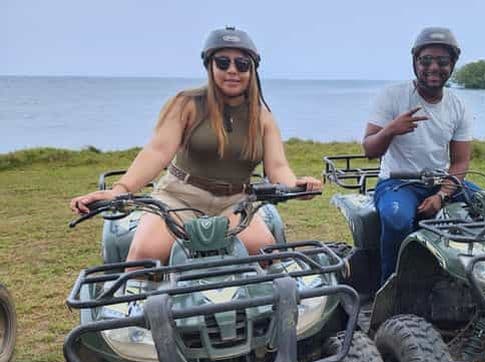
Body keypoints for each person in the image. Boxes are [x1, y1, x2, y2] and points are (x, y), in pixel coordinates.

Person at [70, 26, 322, 263]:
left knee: (267, 254)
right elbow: (157, 152)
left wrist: (296, 185)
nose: (232, 70)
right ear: (209, 66)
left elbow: (277, 167)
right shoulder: (187, 103)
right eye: (223, 62)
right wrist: (120, 190)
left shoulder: (263, 117)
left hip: (235, 201)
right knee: (145, 255)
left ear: (252, 69)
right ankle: (136, 305)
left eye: (242, 63)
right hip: (179, 196)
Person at [363, 27, 475, 283]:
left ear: (452, 65)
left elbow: (460, 161)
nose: (433, 67)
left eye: (442, 61)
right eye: (426, 60)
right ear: (415, 63)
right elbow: (369, 149)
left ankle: (475, 282)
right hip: (398, 182)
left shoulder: (458, 106)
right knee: (397, 219)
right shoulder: (392, 96)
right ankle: (392, 289)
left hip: (441, 181)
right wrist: (391, 129)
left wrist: (442, 195)